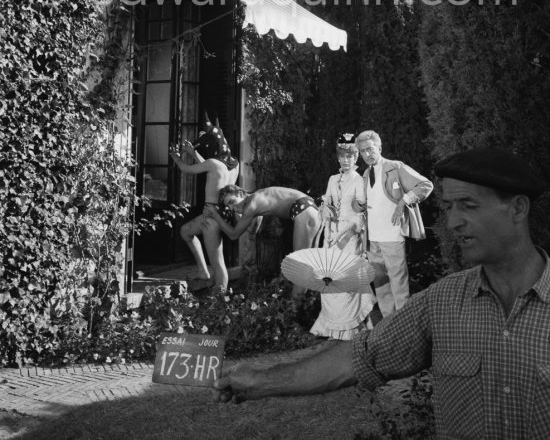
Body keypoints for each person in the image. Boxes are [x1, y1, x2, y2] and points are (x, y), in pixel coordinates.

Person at [213, 146, 550, 440]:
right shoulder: (443, 302)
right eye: (450, 208)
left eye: (469, 206)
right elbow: (357, 359)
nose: (453, 223)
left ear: (518, 209)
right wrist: (258, 380)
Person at [353, 130, 433, 316]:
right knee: (381, 285)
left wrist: (403, 201)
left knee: (398, 281)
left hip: (392, 235)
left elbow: (426, 185)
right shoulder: (365, 174)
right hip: (373, 239)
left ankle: (404, 324)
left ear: (379, 148)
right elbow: (365, 204)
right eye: (363, 151)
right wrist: (358, 205)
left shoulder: (395, 167)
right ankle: (389, 325)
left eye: (370, 149)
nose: (367, 154)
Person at [310, 133, 375, 340]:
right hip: (331, 236)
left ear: (356, 158)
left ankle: (350, 329)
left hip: (350, 237)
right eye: (342, 156)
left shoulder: (359, 180)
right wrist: (325, 210)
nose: (346, 160)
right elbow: (326, 204)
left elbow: (361, 214)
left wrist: (346, 232)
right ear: (338, 157)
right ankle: (330, 328)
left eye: (350, 156)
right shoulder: (332, 179)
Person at [170, 118, 239, 292]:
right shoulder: (234, 164)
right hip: (223, 214)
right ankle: (203, 271)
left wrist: (176, 158)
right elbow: (207, 166)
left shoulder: (214, 163)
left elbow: (188, 169)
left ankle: (220, 299)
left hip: (211, 216)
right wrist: (193, 153)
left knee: (218, 262)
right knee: (186, 231)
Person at [205, 184, 322, 253]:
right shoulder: (256, 198)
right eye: (228, 206)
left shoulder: (252, 206)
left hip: (302, 210)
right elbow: (253, 231)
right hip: (309, 208)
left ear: (240, 193)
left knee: (301, 267)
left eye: (232, 202)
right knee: (310, 267)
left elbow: (233, 235)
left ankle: (297, 296)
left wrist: (215, 214)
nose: (231, 207)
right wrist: (241, 218)